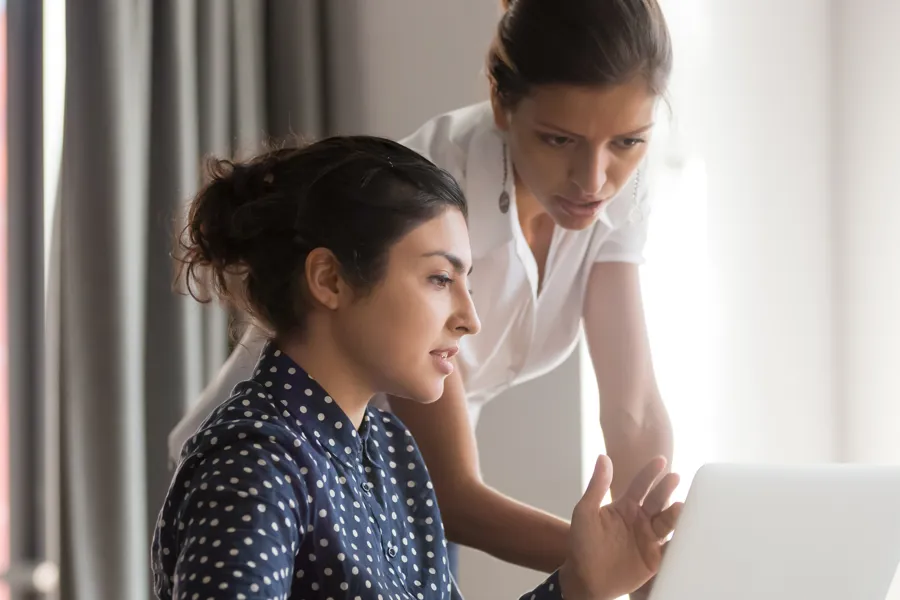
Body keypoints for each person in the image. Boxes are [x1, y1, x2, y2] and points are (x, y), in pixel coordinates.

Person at [168, 0, 675, 582]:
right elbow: (454, 493)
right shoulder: (434, 194)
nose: (594, 180)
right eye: (560, 140)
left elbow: (633, 410)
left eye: (628, 143)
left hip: (378, 466)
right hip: (304, 464)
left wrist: (646, 559)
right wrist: (620, 565)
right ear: (500, 102)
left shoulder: (618, 194)